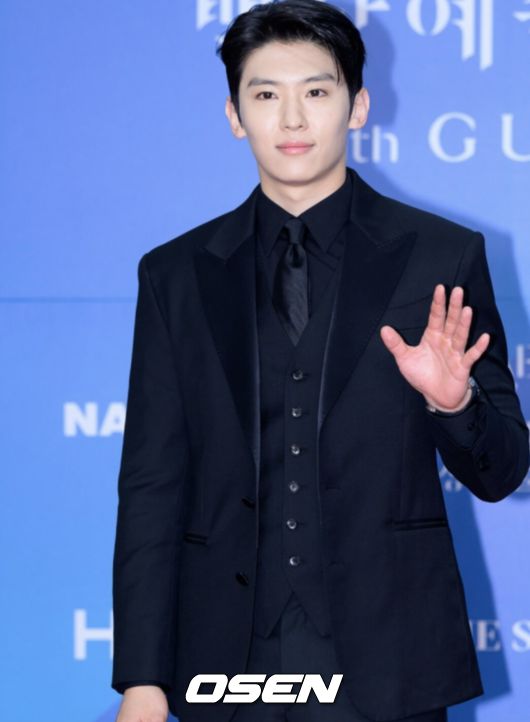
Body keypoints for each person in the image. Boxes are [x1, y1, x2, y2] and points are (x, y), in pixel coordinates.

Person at [111, 1, 529, 721]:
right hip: (225, 662)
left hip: (390, 660)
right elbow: (152, 485)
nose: (292, 119)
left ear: (358, 106)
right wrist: (142, 679)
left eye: (316, 91)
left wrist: (453, 403)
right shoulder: (176, 275)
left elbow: (503, 471)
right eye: (265, 95)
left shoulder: (440, 256)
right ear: (235, 116)